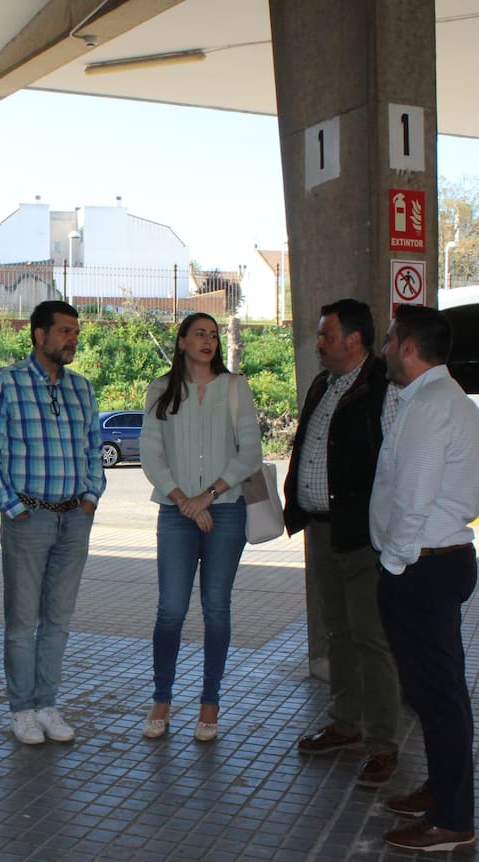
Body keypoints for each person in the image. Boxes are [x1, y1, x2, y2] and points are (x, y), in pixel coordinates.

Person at [370, 303, 479, 852]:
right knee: (438, 692)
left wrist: (394, 563)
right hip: (436, 561)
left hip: (423, 565)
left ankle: (452, 820)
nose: (385, 350)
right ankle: (442, 790)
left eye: (390, 341)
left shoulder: (431, 405)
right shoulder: (444, 399)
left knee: (438, 698)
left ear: (410, 348)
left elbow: (413, 497)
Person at [0, 300, 105, 745]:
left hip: (74, 520)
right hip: (27, 519)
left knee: (58, 620)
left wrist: (90, 498)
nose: (73, 340)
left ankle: (47, 705)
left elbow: (93, 450)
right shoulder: (4, 383)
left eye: (76, 332)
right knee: (22, 622)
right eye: (65, 331)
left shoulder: (81, 388)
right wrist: (14, 508)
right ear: (39, 334)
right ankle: (22, 710)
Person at [284, 298, 402, 787]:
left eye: (326, 335)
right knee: (338, 631)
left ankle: (382, 742)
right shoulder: (323, 384)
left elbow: (396, 465)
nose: (319, 344)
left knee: (371, 637)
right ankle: (346, 723)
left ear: (354, 340)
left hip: (363, 536)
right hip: (321, 530)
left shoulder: (382, 388)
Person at [138, 312, 262, 742]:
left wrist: (206, 497)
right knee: (171, 609)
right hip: (176, 513)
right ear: (182, 342)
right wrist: (184, 502)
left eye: (213, 335)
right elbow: (151, 456)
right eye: (199, 334)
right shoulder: (160, 389)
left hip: (225, 510)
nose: (208, 341)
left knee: (216, 607)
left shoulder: (235, 387)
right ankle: (161, 699)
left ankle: (210, 703)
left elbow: (250, 453)